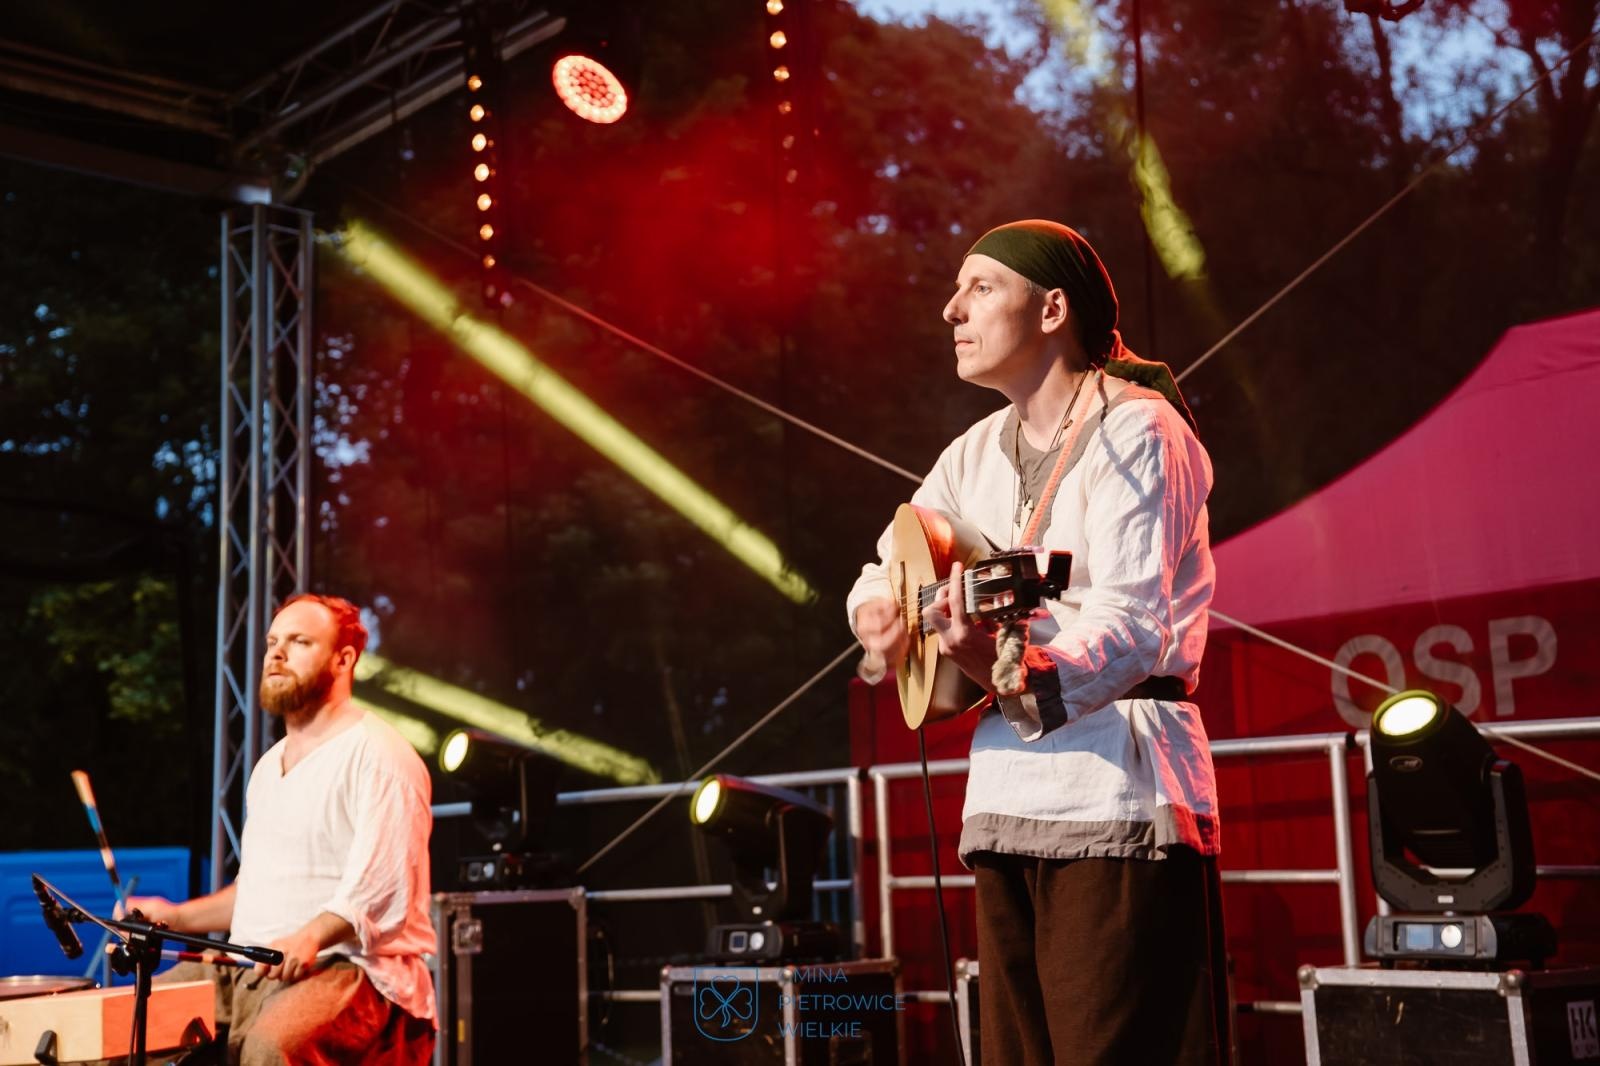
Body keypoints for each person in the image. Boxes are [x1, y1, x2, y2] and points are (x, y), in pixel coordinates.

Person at [848, 220, 1228, 1064]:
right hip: (1007, 794)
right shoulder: (970, 453)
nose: (952, 309)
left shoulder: (1140, 430)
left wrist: (1009, 666)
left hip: (1118, 792)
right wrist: (879, 613)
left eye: (980, 287)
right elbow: (886, 564)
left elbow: (1134, 625)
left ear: (1053, 307)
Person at [125, 593, 435, 1065]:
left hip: (351, 971)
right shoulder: (268, 769)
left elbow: (381, 889)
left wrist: (310, 935)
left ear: (344, 658)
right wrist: (175, 918)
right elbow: (258, 890)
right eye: (273, 641)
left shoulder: (379, 756)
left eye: (299, 641)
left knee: (272, 1048)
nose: (277, 652)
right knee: (121, 1025)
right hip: (247, 968)